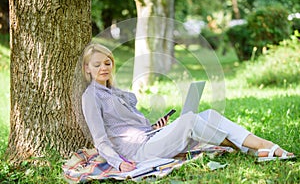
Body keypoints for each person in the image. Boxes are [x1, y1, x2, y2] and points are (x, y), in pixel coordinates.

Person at [81, 43, 295, 172]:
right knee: (190, 120)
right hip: (137, 153)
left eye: (107, 63)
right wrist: (118, 164)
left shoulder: (116, 91)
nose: (103, 68)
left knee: (209, 114)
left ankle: (258, 148)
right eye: (97, 64)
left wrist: (156, 126)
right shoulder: (91, 97)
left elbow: (130, 126)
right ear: (87, 69)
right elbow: (100, 139)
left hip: (150, 138)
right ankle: (260, 147)